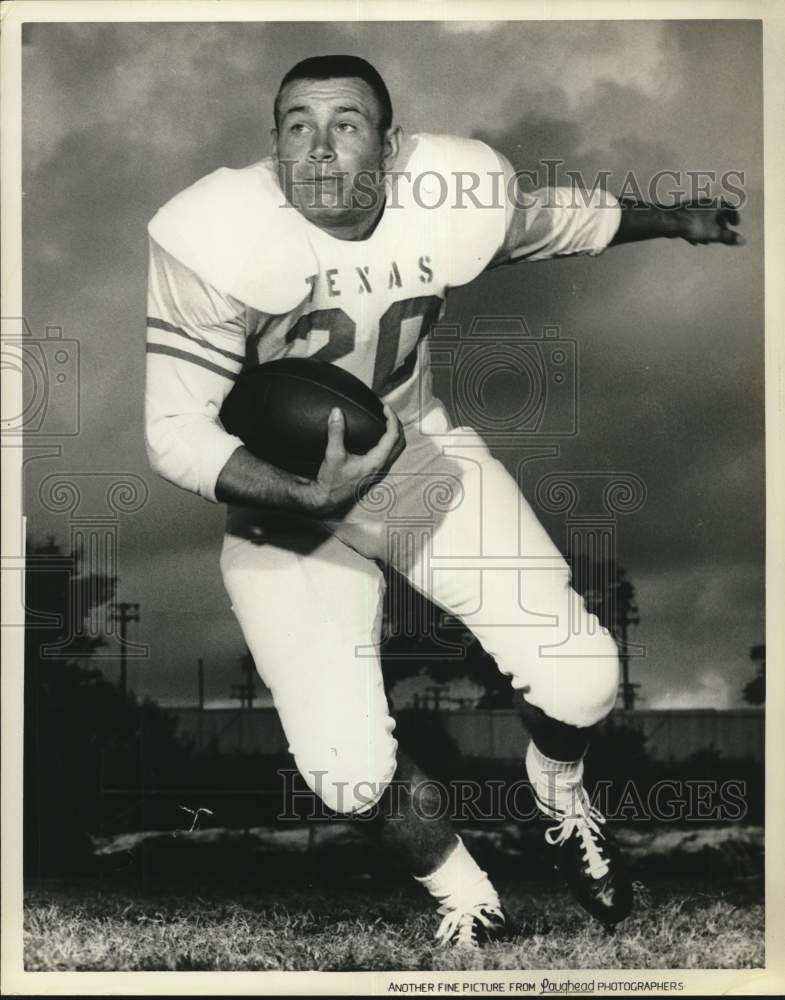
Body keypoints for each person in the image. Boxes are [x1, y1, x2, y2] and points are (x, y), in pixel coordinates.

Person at [145, 55, 743, 948]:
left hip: (408, 457)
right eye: (295, 125)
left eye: (344, 123)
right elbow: (173, 431)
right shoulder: (211, 237)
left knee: (581, 674)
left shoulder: (443, 195)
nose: (317, 146)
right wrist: (305, 490)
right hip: (283, 500)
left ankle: (559, 800)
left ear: (388, 146)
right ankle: (468, 893)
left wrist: (675, 218)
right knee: (345, 773)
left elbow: (556, 221)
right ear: (272, 146)